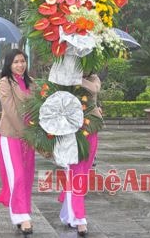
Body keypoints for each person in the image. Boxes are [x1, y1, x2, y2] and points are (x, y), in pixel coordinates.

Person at [0, 49, 35, 235]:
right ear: (9, 64)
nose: (20, 65)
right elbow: (10, 111)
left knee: (26, 177)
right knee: (17, 175)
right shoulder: (5, 83)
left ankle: (23, 213)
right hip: (11, 135)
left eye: (23, 61)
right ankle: (21, 215)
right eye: (16, 62)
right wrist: (24, 132)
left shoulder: (31, 82)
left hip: (29, 137)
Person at [58, 73, 102, 237]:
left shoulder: (93, 78)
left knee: (83, 173)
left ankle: (69, 214)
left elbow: (94, 88)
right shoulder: (64, 73)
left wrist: (75, 78)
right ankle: (79, 218)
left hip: (91, 130)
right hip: (73, 131)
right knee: (77, 174)